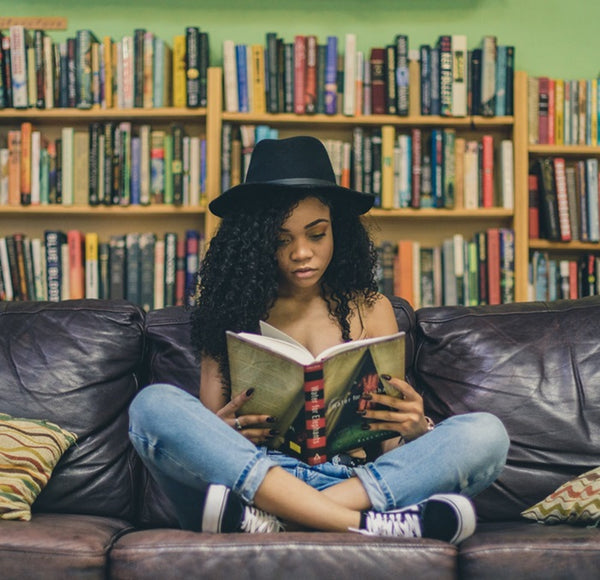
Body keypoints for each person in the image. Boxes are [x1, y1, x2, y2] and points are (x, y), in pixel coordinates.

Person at [129, 136, 509, 540]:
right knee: (152, 407)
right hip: (256, 479)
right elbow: (209, 444)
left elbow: (390, 448)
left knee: (487, 434)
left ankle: (287, 521)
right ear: (256, 243)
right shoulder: (227, 312)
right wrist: (222, 430)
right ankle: (363, 525)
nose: (301, 253)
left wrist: (417, 428)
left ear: (337, 232)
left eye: (316, 234)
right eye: (281, 239)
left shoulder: (372, 308)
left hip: (354, 481)